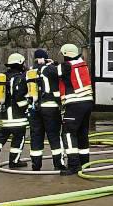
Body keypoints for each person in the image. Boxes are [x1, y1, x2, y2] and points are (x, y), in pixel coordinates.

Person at [0, 53, 30, 169]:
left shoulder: (3, 77)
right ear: (20, 63)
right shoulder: (21, 78)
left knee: (0, 138)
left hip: (5, 116)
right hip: (18, 117)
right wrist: (28, 107)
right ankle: (14, 161)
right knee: (18, 138)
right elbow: (20, 98)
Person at [58, 44, 93, 176]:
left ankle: (73, 165)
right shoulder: (82, 64)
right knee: (82, 134)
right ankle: (84, 163)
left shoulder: (66, 66)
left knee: (68, 133)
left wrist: (43, 65)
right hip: (87, 103)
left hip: (74, 104)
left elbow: (53, 72)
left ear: (66, 54)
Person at [29, 50, 65, 171]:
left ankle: (36, 164)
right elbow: (62, 72)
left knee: (36, 136)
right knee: (54, 136)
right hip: (50, 108)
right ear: (45, 58)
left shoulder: (30, 71)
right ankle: (58, 164)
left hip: (35, 109)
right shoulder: (49, 69)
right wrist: (53, 63)